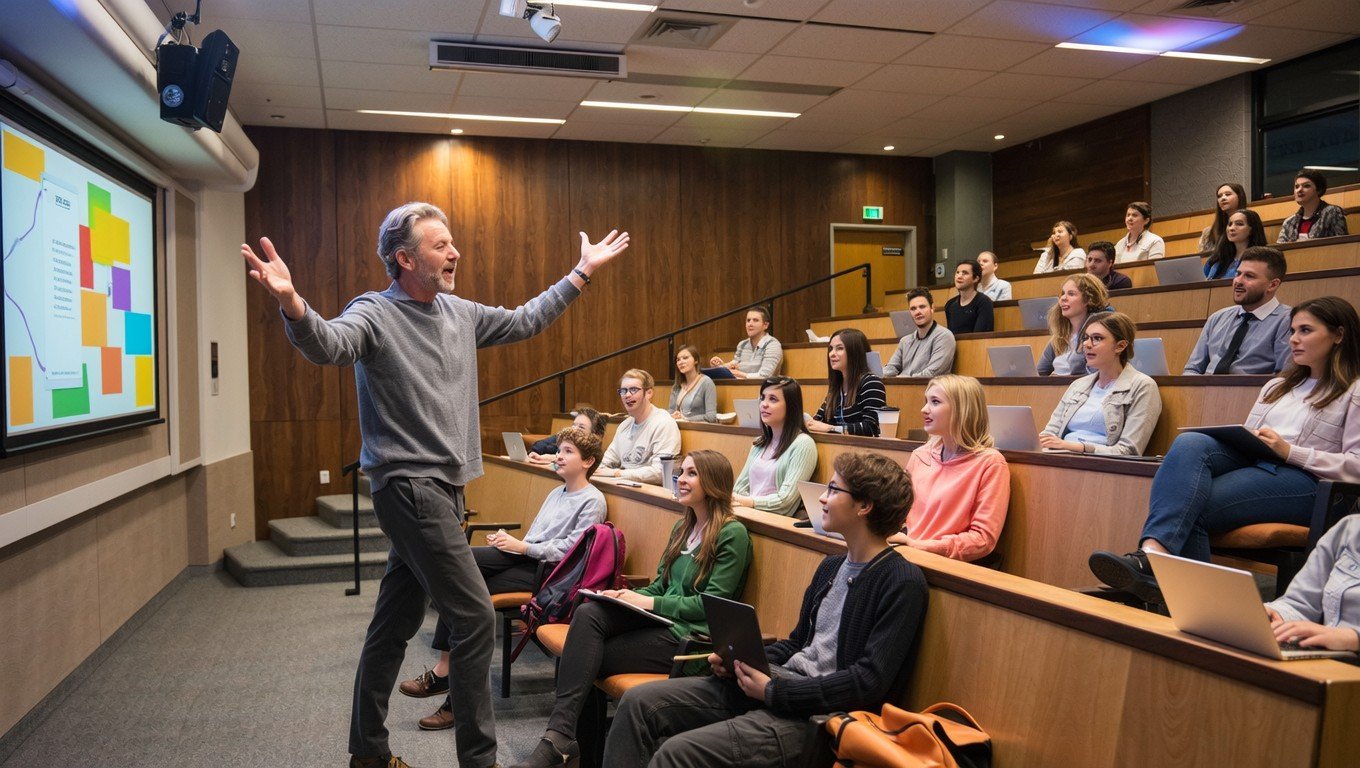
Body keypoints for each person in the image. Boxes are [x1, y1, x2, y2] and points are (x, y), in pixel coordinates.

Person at [240, 202, 629, 768]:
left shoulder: (458, 311)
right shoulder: (373, 312)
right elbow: (327, 343)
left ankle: (368, 753)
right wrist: (293, 304)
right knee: (473, 619)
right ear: (404, 258)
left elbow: (524, 320)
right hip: (409, 487)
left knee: (393, 624)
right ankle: (480, 760)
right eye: (440, 245)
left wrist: (581, 272)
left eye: (452, 243)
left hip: (445, 493)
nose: (455, 252)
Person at [600, 452, 928, 768]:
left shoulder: (902, 581)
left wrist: (775, 691)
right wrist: (740, 660)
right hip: (778, 686)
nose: (823, 499)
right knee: (638, 704)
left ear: (865, 506)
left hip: (819, 714)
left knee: (678, 753)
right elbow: (797, 644)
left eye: (832, 489)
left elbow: (867, 682)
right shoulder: (831, 567)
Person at [1090, 296, 1360, 604]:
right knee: (1191, 442)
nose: (1293, 340)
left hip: (1309, 483)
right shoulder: (1277, 386)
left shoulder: (1354, 391)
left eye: (1305, 331)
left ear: (1339, 335)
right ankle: (1158, 562)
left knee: (1192, 506)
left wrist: (1290, 452)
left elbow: (1356, 465)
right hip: (1260, 464)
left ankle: (1188, 596)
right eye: (1292, 330)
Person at [511, 450, 753, 768]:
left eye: (692, 473)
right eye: (682, 472)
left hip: (692, 639)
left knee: (584, 658)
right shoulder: (682, 527)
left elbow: (709, 607)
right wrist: (625, 595)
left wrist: (650, 602)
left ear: (714, 482)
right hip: (661, 624)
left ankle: (567, 745)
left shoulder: (731, 534)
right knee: (589, 613)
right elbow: (660, 587)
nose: (681, 479)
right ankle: (562, 739)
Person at [400, 427, 607, 730]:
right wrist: (511, 540)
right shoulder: (556, 492)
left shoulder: (593, 500)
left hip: (547, 576)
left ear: (588, 461)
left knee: (459, 573)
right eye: (559, 450)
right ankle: (449, 683)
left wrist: (523, 547)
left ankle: (447, 682)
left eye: (567, 452)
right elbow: (538, 536)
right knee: (458, 581)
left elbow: (570, 552)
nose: (558, 456)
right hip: (525, 559)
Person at [888, 375, 1010, 562]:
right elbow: (899, 512)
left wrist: (919, 546)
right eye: (926, 401)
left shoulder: (991, 463)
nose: (924, 409)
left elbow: (982, 540)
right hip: (905, 555)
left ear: (962, 410)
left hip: (945, 566)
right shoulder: (921, 454)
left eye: (935, 402)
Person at [1039, 312, 1162, 456]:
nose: (1087, 344)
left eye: (1097, 338)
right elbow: (1050, 432)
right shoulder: (1078, 385)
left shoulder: (1143, 386)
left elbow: (1128, 451)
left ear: (1120, 346)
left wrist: (1076, 447)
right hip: (1062, 457)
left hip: (1101, 466)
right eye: (1085, 338)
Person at [1183, 247, 1292, 375]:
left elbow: (1283, 377)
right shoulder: (1217, 317)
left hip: (1251, 393)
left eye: (1249, 276)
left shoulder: (1288, 320)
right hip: (1204, 390)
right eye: (1238, 274)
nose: (1238, 281)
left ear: (1272, 285)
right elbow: (1192, 369)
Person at [1265, 514, 1360, 652]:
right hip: (1328, 660)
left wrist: (1353, 638)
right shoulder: (1349, 529)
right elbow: (1299, 604)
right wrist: (1272, 614)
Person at [732, 376, 818, 516]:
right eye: (762, 397)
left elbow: (785, 501)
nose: (764, 404)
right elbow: (739, 488)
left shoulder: (803, 444)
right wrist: (742, 501)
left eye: (773, 399)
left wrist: (749, 502)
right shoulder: (759, 443)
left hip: (773, 520)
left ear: (791, 406)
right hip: (748, 513)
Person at [598, 369, 683, 484]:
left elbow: (661, 472)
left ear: (649, 393)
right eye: (623, 390)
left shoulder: (664, 423)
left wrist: (617, 473)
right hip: (624, 488)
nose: (627, 395)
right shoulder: (624, 425)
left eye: (633, 390)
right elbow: (606, 463)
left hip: (649, 495)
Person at [805, 328, 887, 437]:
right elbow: (818, 421)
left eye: (839, 348)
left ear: (855, 352)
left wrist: (831, 428)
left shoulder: (871, 383)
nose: (831, 354)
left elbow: (872, 428)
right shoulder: (836, 387)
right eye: (831, 349)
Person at [1037, 274, 1109, 376]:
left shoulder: (1098, 334)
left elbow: (1094, 374)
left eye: (1071, 294)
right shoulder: (1059, 337)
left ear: (1089, 299)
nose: (1063, 298)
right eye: (1062, 293)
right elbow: (1040, 372)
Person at [884, 288, 956, 377]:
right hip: (901, 387)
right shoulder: (905, 341)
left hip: (926, 388)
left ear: (932, 308)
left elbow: (931, 374)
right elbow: (891, 367)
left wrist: (899, 378)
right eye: (913, 309)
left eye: (922, 307)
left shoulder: (944, 336)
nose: (918, 312)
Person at [709, 307, 782, 379]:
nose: (750, 324)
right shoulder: (742, 344)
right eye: (748, 320)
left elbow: (765, 376)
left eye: (755, 320)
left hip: (763, 388)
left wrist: (739, 374)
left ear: (765, 325)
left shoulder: (772, 345)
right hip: (741, 386)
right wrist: (720, 366)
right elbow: (734, 365)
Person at [1278, 170, 1349, 243]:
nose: (1299, 190)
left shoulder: (1332, 212)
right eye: (1297, 186)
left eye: (1306, 186)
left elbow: (1342, 245)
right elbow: (1279, 250)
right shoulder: (1289, 222)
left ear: (1319, 190)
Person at [527, 407, 607, 464]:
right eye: (574, 425)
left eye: (581, 427)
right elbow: (539, 446)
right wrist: (536, 455)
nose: (574, 430)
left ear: (596, 435)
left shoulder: (593, 456)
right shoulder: (564, 439)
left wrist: (552, 458)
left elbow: (576, 460)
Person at [1203, 209, 1266, 280]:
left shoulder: (1261, 260)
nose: (1231, 228)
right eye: (1229, 224)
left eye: (1239, 224)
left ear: (1252, 230)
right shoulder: (1216, 259)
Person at [668, 345, 717, 423]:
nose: (681, 362)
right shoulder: (676, 386)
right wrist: (671, 416)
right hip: (678, 428)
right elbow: (670, 410)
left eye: (685, 358)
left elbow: (711, 417)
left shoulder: (707, 382)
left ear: (696, 360)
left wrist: (685, 418)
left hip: (699, 430)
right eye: (678, 360)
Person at [944, 260, 995, 334]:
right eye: (957, 272)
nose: (959, 276)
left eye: (965, 273)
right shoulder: (950, 304)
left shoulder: (984, 302)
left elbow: (980, 336)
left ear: (976, 278)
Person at [1197, 182, 1247, 253]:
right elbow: (1204, 258)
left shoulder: (1250, 224)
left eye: (1228, 194)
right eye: (1219, 196)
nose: (1223, 198)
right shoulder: (1208, 233)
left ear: (1239, 197)